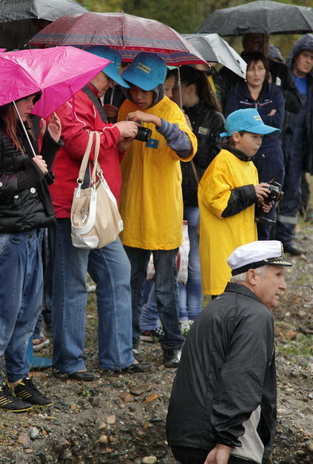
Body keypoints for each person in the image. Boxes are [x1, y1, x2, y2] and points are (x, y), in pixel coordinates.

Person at [49, 46, 148, 381]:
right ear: (92, 71)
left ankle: (118, 356)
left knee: (118, 274)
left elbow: (100, 154)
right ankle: (68, 361)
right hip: (73, 208)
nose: (111, 85)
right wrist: (115, 132)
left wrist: (116, 141)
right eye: (110, 77)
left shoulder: (92, 102)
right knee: (72, 284)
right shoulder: (69, 96)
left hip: (96, 209)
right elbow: (78, 146)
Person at [0, 94, 62, 411]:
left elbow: (40, 178)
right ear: (7, 102)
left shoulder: (21, 130)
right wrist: (30, 173)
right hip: (4, 236)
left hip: (29, 230)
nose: (32, 105)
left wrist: (49, 144)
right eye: (26, 100)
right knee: (0, 312)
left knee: (27, 312)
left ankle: (18, 377)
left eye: (34, 99)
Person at [166, 240, 292, 464]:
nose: (283, 285)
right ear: (253, 277)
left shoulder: (214, 307)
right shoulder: (254, 314)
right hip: (226, 448)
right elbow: (241, 378)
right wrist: (225, 442)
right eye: (278, 275)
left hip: (187, 438)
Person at [117, 52, 197, 367]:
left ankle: (172, 346)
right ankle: (130, 342)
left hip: (163, 214)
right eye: (133, 87)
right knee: (132, 283)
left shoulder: (173, 112)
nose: (137, 94)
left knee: (165, 286)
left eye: (144, 89)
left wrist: (157, 122)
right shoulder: (124, 108)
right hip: (132, 211)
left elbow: (188, 148)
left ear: (158, 88)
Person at [145, 65, 225, 331]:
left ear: (189, 88)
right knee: (173, 263)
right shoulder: (174, 115)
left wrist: (189, 136)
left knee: (194, 263)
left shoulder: (214, 119)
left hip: (197, 199)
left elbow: (210, 161)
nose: (169, 94)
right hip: (173, 198)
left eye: (173, 88)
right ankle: (173, 316)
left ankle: (192, 315)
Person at [199, 109, 279, 297]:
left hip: (241, 245)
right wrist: (251, 192)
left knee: (241, 299)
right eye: (254, 136)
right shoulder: (221, 163)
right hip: (223, 249)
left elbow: (244, 203)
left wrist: (261, 205)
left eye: (261, 137)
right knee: (225, 301)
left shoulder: (250, 165)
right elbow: (220, 204)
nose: (259, 142)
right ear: (236, 136)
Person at [224, 52, 286, 240]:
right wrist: (267, 117)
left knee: (266, 205)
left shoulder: (275, 93)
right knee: (245, 200)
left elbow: (278, 122)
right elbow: (231, 121)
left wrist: (251, 122)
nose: (256, 73)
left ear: (266, 72)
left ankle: (262, 256)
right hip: (242, 156)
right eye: (251, 68)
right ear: (245, 71)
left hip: (270, 155)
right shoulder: (236, 91)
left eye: (260, 68)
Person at [277, 34, 313, 256]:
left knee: (293, 192)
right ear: (296, 55)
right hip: (279, 141)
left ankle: (286, 240)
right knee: (272, 189)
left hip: (301, 144)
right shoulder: (281, 78)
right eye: (306, 56)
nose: (309, 61)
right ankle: (268, 240)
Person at [218, 33, 301, 116]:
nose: (263, 47)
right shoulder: (230, 72)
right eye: (257, 42)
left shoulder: (280, 69)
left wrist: (273, 88)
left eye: (266, 41)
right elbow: (221, 106)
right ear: (245, 43)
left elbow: (296, 106)